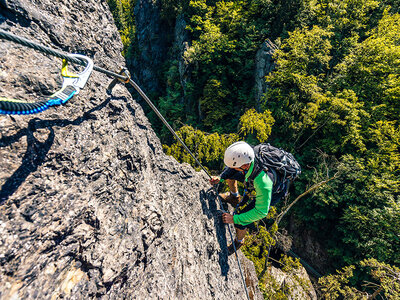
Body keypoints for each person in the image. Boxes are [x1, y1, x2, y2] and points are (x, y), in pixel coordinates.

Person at [209, 141, 273, 255]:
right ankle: (234, 197)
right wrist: (221, 177)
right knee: (230, 174)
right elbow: (231, 169)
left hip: (271, 192)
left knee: (241, 217)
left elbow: (261, 211)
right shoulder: (247, 155)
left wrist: (234, 219)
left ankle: (239, 241)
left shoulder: (263, 182)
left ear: (245, 166)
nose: (230, 168)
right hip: (253, 176)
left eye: (234, 166)